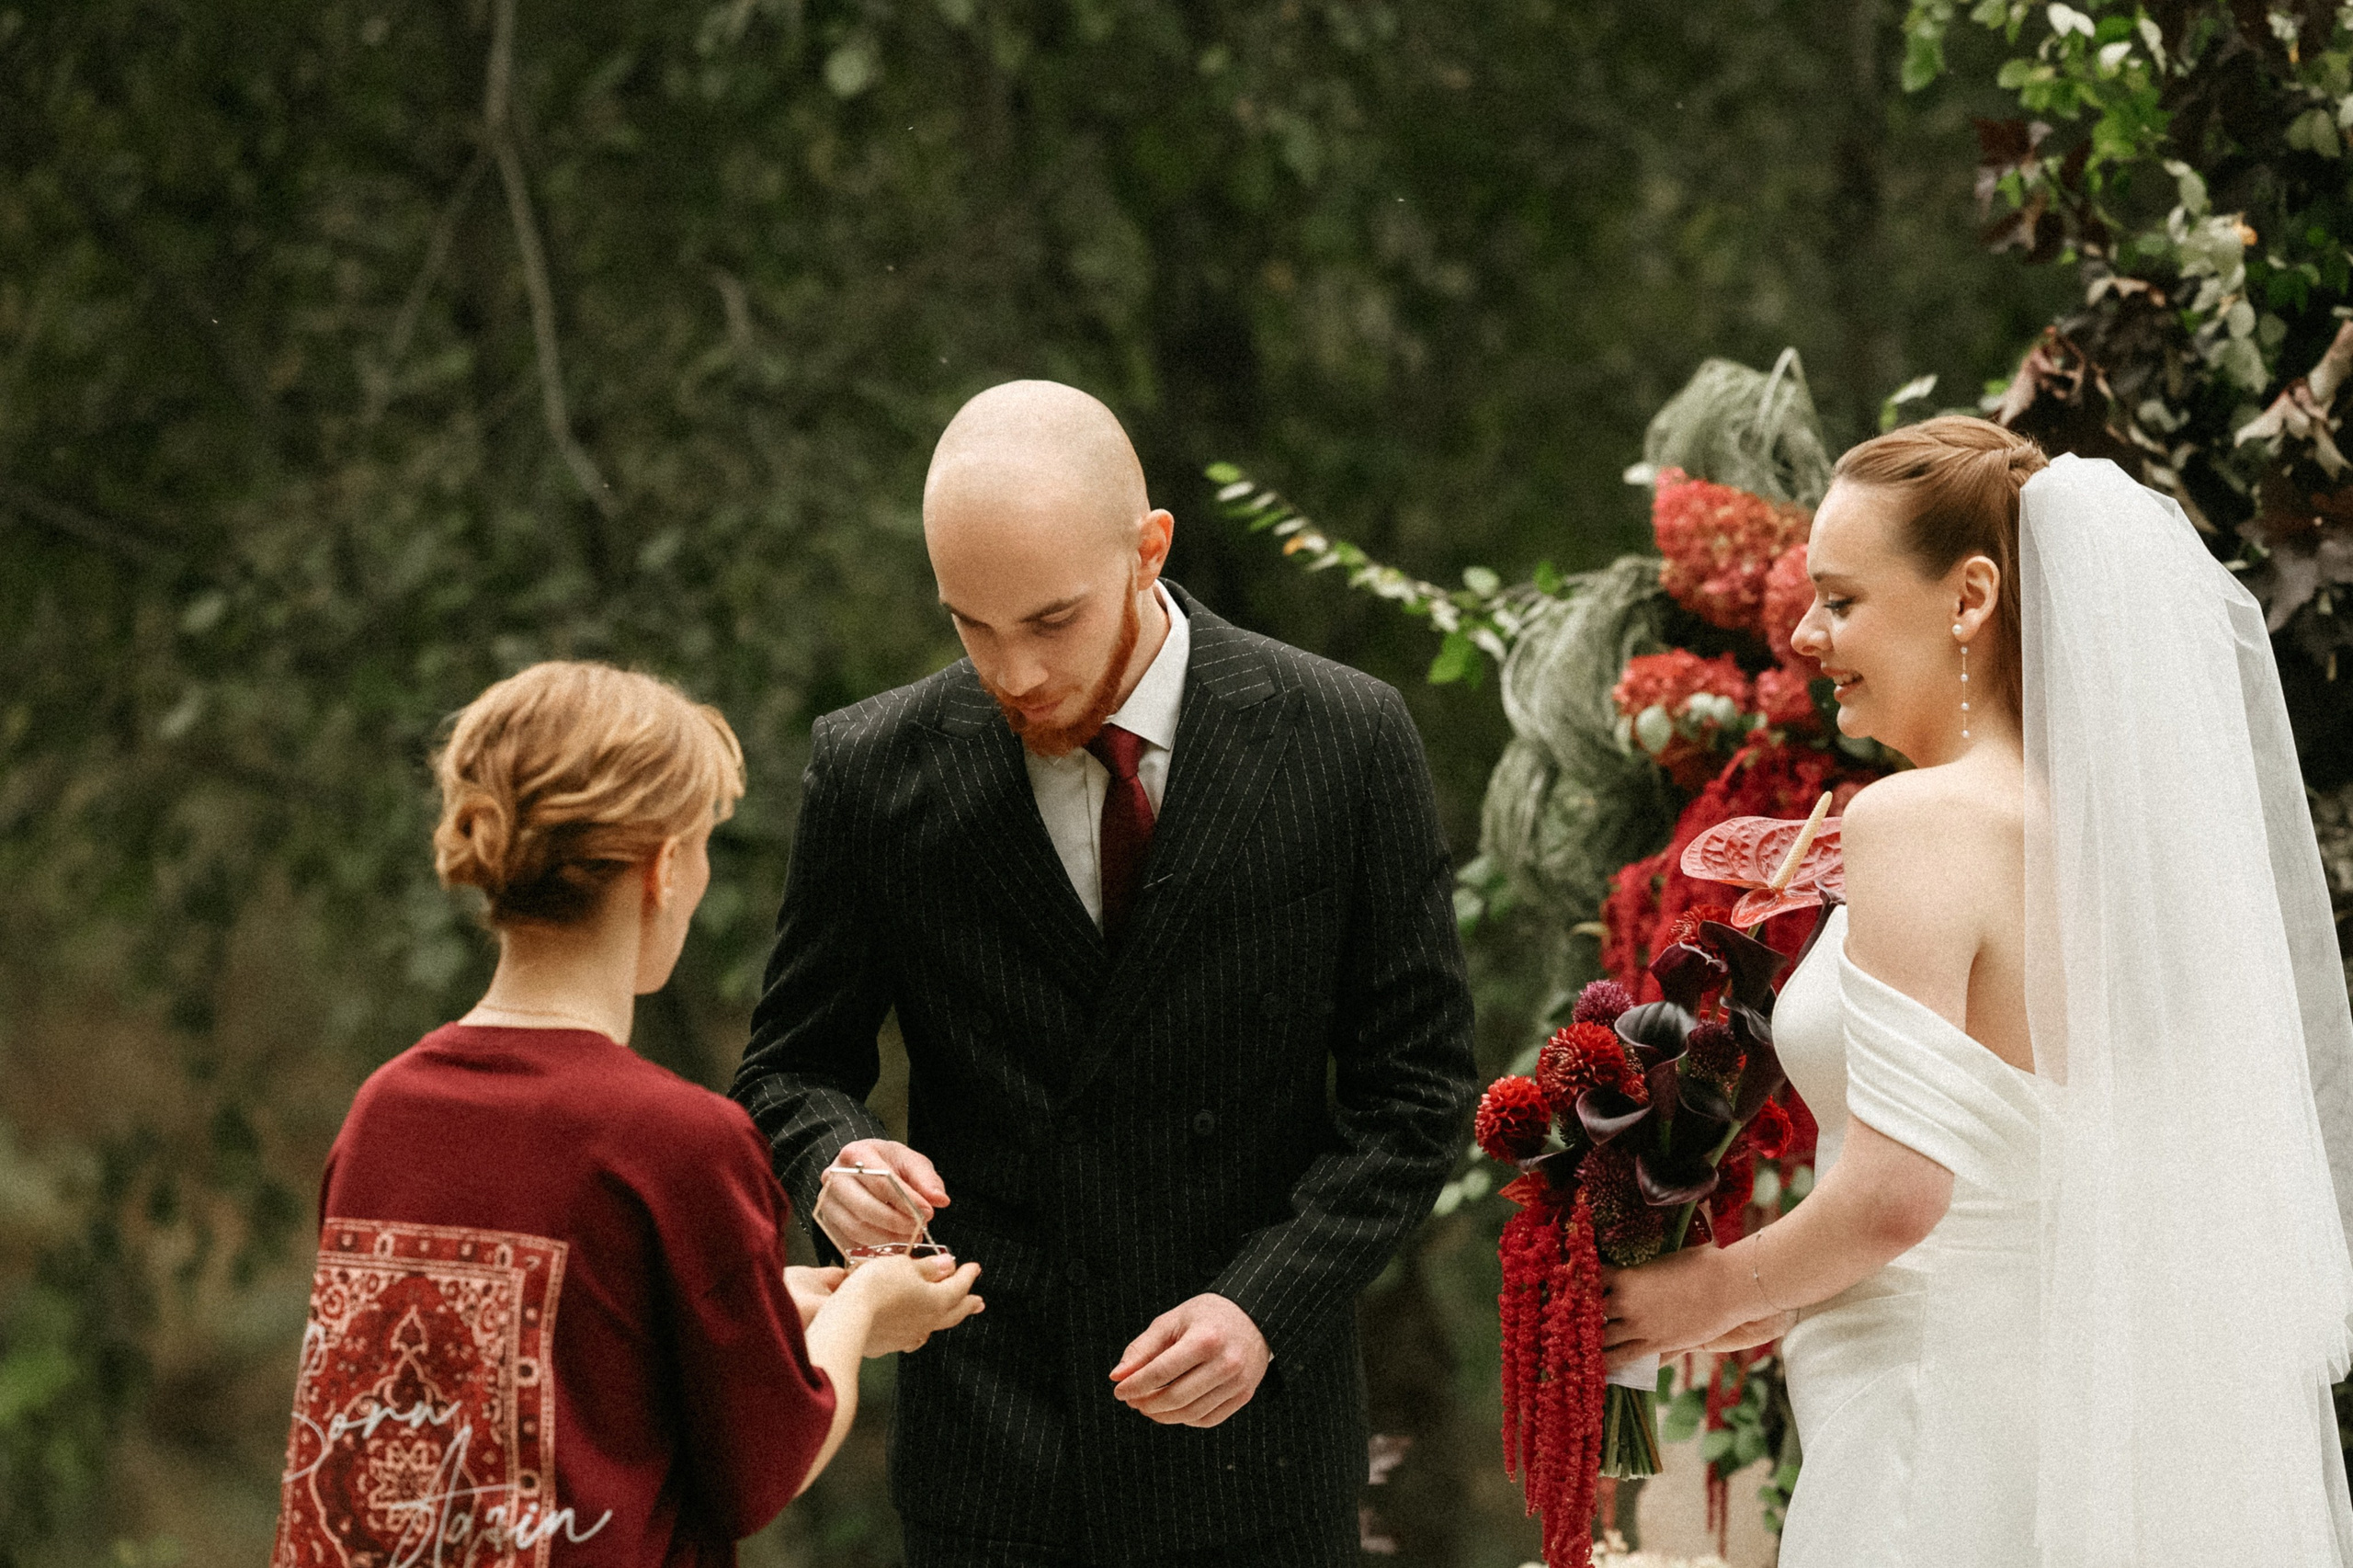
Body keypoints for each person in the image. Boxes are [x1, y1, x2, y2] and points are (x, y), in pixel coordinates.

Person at [730, 380, 1479, 1566]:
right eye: (971, 625)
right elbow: (788, 1068)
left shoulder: (1346, 737)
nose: (1013, 670)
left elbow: (1418, 1093)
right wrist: (837, 1162)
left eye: (1051, 619)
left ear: (1149, 550)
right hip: (994, 1461)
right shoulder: (873, 768)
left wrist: (1265, 1303)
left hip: (1257, 1455)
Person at [1598, 417, 2353, 1563]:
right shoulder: (2126, 850)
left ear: (1969, 597)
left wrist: (1697, 1292)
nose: (1804, 635)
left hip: (1936, 1412)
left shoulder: (1917, 822)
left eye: (1840, 600)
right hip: (2082, 1406)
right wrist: (1777, 1292)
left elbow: (1897, 1197)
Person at [269, 661, 983, 1567]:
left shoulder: (385, 1112)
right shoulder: (681, 1142)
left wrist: (775, 1306)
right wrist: (865, 1309)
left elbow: (521, 1374)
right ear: (666, 867)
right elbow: (765, 1465)